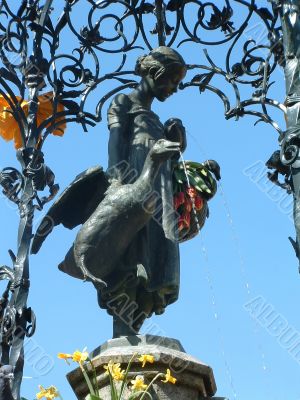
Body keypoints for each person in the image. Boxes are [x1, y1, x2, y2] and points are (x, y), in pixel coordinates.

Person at [101, 46, 187, 337]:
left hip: (158, 197)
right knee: (131, 256)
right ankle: (123, 327)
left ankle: (136, 323)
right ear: (155, 73)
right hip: (133, 190)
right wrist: (116, 184)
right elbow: (115, 144)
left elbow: (165, 161)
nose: (174, 88)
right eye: (172, 80)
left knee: (154, 256)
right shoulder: (124, 102)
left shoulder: (157, 120)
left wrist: (177, 144)